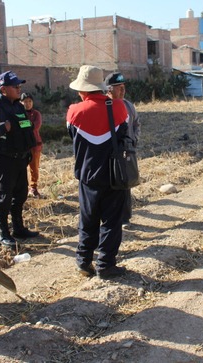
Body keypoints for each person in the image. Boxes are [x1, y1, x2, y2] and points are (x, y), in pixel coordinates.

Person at [67, 65, 129, 279]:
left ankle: (84, 262)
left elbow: (72, 138)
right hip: (115, 175)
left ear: (83, 91)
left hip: (87, 174)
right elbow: (125, 136)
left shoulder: (73, 111)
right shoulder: (120, 108)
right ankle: (106, 264)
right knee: (112, 221)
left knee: (87, 219)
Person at [0, 71, 40, 247]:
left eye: (20, 86)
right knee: (3, 197)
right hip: (4, 160)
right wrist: (2, 128)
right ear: (4, 89)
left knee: (20, 195)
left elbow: (26, 126)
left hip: (20, 158)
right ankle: (3, 233)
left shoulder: (18, 106)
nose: (20, 89)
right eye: (16, 86)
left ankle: (18, 228)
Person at [105, 72, 140, 229]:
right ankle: (109, 217)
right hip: (108, 154)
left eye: (123, 87)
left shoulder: (128, 105)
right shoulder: (104, 106)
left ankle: (125, 218)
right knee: (109, 186)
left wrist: (134, 140)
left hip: (126, 152)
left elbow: (136, 124)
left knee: (125, 184)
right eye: (119, 88)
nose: (122, 90)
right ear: (109, 89)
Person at [20, 92, 44, 198]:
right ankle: (21, 189)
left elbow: (35, 126)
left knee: (34, 168)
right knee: (20, 169)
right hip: (22, 146)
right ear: (21, 102)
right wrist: (25, 124)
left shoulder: (36, 114)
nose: (28, 103)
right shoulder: (19, 113)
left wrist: (24, 124)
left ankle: (33, 188)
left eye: (30, 101)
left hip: (35, 145)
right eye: (25, 101)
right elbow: (18, 126)